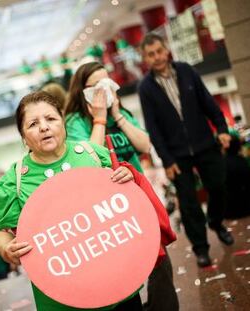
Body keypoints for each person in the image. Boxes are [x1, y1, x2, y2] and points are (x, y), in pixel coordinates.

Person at [0, 91, 170, 310]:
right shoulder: (13, 182)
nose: (44, 127)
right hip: (61, 296)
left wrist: (128, 178)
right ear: (23, 135)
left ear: (63, 122)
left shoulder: (94, 154)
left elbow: (125, 205)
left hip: (116, 286)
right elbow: (1, 232)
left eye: (51, 119)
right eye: (32, 124)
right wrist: (6, 249)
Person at [65, 62, 178, 311]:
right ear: (81, 91)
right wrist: (99, 119)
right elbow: (88, 160)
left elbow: (145, 145)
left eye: (107, 82)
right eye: (96, 86)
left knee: (160, 261)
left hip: (136, 198)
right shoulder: (75, 122)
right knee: (124, 268)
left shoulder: (122, 113)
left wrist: (116, 114)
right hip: (107, 209)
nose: (104, 90)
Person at [138, 33, 234, 268]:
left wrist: (221, 128)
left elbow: (208, 103)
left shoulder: (186, 71)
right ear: (145, 59)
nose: (157, 57)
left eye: (159, 51)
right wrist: (167, 160)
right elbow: (154, 129)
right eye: (151, 54)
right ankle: (201, 248)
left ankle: (216, 222)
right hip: (177, 156)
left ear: (166, 50)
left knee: (218, 186)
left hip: (205, 144)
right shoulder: (145, 88)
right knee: (189, 203)